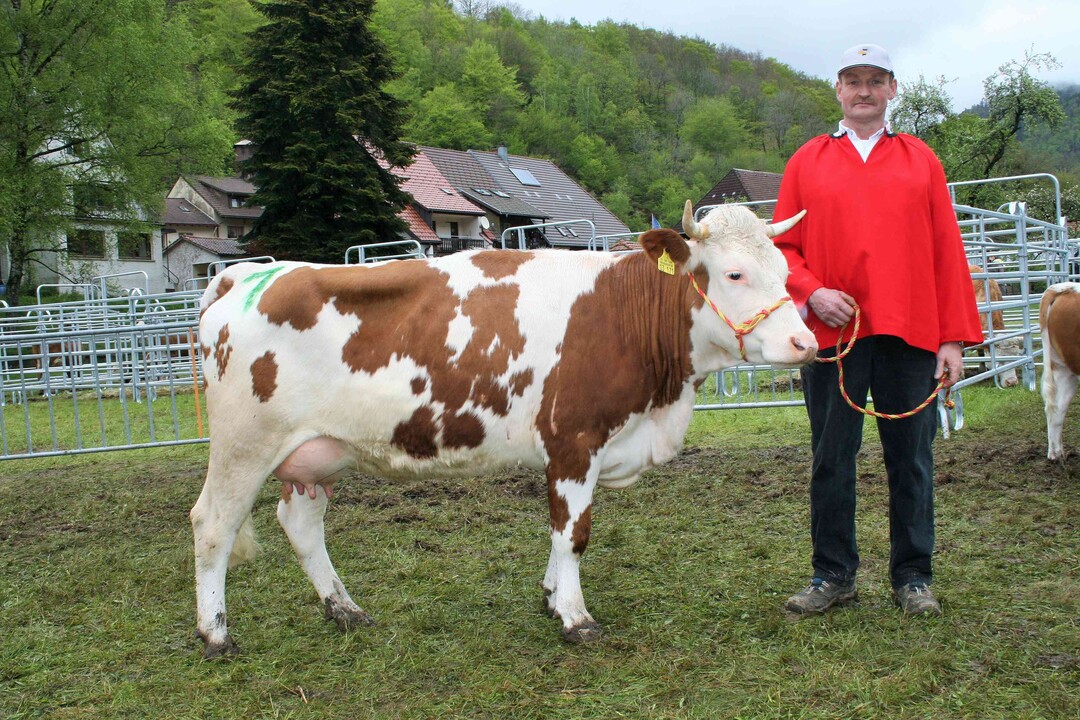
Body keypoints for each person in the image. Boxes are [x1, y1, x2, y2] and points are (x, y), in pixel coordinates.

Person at [771, 43, 983, 617]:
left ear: (892, 89)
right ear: (837, 90)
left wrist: (952, 337)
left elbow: (947, 251)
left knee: (911, 458)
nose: (863, 90)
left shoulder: (922, 160)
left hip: (911, 333)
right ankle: (832, 573)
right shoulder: (806, 161)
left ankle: (913, 576)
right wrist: (811, 290)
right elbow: (782, 247)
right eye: (852, 80)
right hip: (834, 336)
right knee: (831, 457)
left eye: (875, 80)